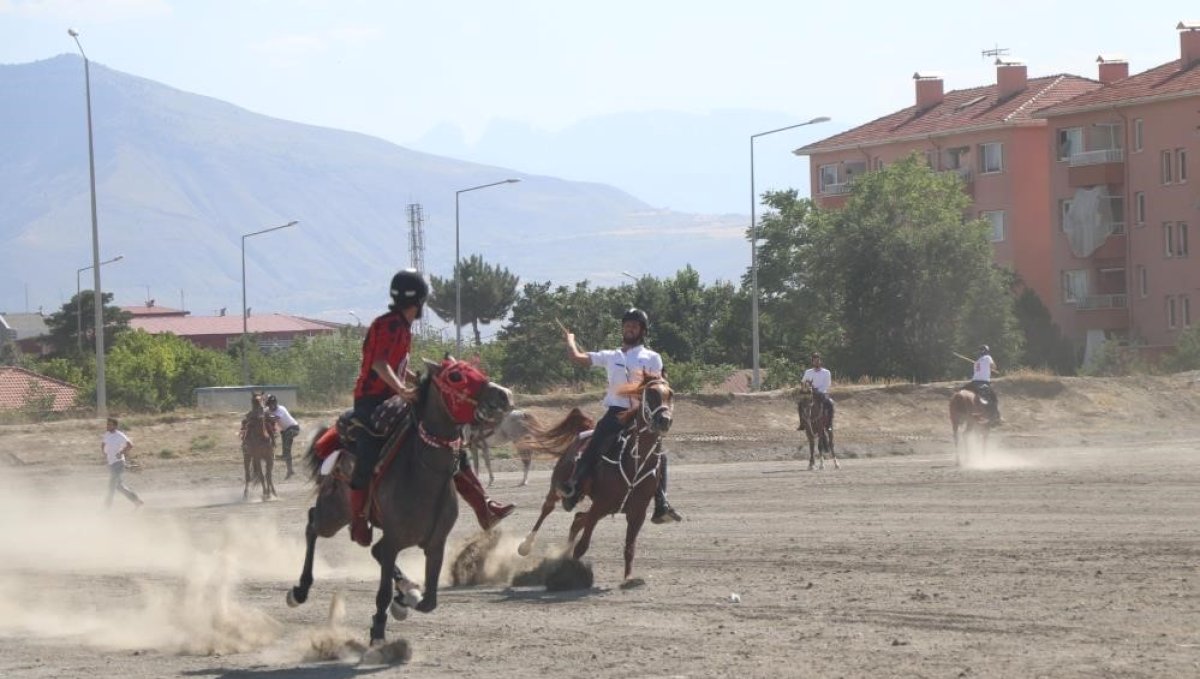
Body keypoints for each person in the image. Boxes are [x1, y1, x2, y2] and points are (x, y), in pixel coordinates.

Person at [347, 269, 514, 547]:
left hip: (398, 397)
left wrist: (419, 381)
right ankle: (358, 520)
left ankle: (483, 507)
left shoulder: (401, 325)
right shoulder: (390, 325)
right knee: (365, 455)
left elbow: (397, 366)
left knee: (447, 440)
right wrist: (403, 390)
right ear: (420, 300)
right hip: (371, 401)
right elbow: (379, 365)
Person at [559, 308, 682, 524]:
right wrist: (571, 340)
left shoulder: (653, 357)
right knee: (595, 442)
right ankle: (574, 485)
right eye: (626, 326)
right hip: (615, 414)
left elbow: (659, 386)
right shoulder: (610, 356)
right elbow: (576, 357)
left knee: (659, 454)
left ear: (642, 330)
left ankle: (661, 503)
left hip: (641, 414)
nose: (629, 329)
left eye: (634, 326)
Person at [101, 417, 143, 509]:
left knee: (111, 485)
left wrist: (121, 452)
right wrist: (105, 455)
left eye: (110, 424)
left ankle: (106, 508)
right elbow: (103, 444)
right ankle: (136, 500)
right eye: (107, 424)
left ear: (115, 426)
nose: (108, 426)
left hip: (118, 463)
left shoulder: (120, 435)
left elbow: (130, 445)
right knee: (119, 486)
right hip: (111, 463)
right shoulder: (106, 434)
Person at [963, 344, 1002, 425]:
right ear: (987, 351)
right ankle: (995, 419)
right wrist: (992, 368)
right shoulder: (988, 357)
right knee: (993, 400)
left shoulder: (977, 361)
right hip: (983, 382)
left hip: (973, 382)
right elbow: (994, 367)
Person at [265, 394, 300, 479]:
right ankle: (290, 470)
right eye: (270, 404)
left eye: (273, 404)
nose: (271, 406)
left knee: (286, 449)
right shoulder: (268, 410)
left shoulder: (281, 409)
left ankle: (284, 456)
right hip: (285, 431)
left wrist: (266, 415)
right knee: (287, 452)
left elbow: (275, 418)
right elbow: (263, 413)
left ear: (276, 403)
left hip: (294, 428)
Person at [802, 352, 835, 431]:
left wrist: (817, 391)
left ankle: (829, 424)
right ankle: (802, 423)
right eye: (814, 360)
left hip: (822, 393)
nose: (816, 362)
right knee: (801, 404)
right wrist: (807, 389)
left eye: (818, 360)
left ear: (820, 361)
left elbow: (827, 384)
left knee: (830, 403)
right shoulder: (808, 372)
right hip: (810, 394)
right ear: (812, 362)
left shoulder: (826, 372)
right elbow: (803, 382)